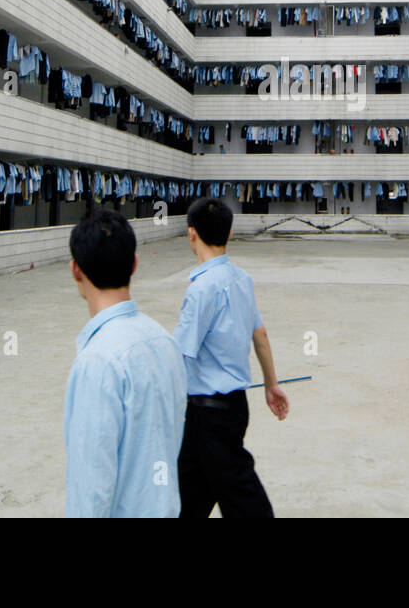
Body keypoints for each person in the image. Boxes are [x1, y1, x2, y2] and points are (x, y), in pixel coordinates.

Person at [63, 210, 186, 517]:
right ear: (134, 264)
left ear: (76, 269)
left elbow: (91, 489)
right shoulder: (165, 342)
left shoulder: (96, 362)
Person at [174, 198, 288, 517]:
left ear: (191, 234)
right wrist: (271, 384)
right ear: (230, 234)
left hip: (207, 415)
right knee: (187, 497)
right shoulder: (242, 279)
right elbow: (260, 334)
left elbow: (179, 354)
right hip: (234, 407)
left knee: (245, 501)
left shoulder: (201, 289)